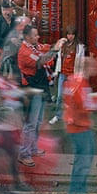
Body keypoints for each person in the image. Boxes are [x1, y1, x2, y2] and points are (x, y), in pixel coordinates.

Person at [63, 56, 97, 194]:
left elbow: (76, 99)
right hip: (80, 127)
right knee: (83, 163)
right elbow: (87, 106)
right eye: (94, 67)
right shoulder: (82, 83)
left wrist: (96, 94)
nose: (96, 69)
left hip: (74, 125)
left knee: (81, 161)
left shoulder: (72, 80)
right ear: (87, 68)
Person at [17, 25, 65, 167]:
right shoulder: (25, 52)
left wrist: (56, 45)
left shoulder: (34, 47)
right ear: (27, 37)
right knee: (30, 123)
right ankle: (24, 153)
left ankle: (32, 148)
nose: (38, 38)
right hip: (31, 90)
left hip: (41, 88)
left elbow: (45, 48)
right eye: (35, 35)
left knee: (37, 122)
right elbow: (41, 60)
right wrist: (55, 49)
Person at [50, 25, 86, 125]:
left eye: (72, 34)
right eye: (69, 34)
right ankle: (58, 115)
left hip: (73, 75)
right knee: (60, 96)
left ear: (75, 35)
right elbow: (56, 55)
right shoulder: (63, 45)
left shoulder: (79, 47)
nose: (70, 36)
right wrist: (57, 72)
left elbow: (81, 62)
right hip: (62, 73)